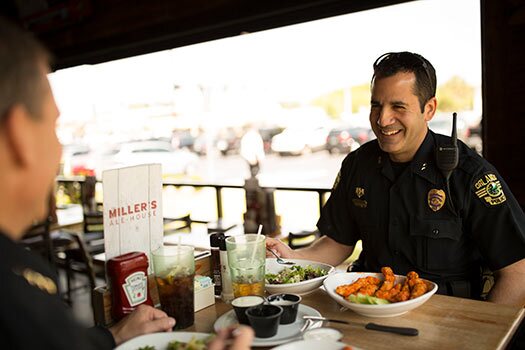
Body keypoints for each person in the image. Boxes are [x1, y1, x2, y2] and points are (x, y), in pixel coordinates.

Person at [0, 16, 253, 349]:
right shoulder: (16, 293)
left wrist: (112, 335)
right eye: (53, 126)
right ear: (21, 136)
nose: (60, 147)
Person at [267, 51, 525, 306]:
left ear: (429, 109)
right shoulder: (358, 165)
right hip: (367, 310)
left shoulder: (468, 174)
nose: (382, 119)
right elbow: (338, 242)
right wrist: (292, 256)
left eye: (398, 106)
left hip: (446, 318)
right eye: (376, 105)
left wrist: (482, 335)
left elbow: (518, 273)